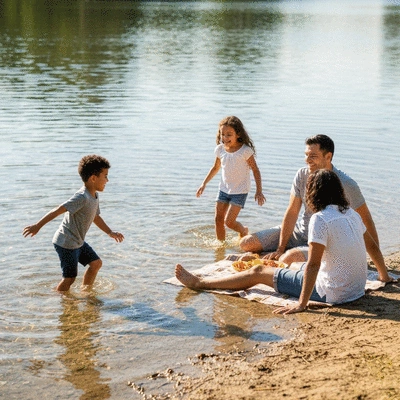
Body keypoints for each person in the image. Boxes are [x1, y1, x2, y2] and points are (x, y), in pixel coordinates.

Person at [175, 169, 393, 314]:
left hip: (334, 293)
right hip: (355, 289)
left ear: (313, 194)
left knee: (258, 271)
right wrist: (384, 277)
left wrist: (302, 304)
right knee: (294, 265)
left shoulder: (320, 218)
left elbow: (315, 265)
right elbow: (372, 246)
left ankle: (201, 283)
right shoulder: (351, 214)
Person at [239, 134, 383, 267]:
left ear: (328, 156)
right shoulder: (302, 175)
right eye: (306, 155)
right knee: (246, 243)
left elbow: (366, 220)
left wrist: (377, 261)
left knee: (288, 259)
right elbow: (292, 211)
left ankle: (281, 259)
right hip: (300, 233)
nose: (307, 160)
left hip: (324, 242)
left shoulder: (346, 184)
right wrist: (280, 248)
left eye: (313, 156)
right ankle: (277, 254)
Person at [23, 155, 124, 292]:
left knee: (96, 264)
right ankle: (61, 299)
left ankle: (86, 291)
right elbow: (58, 210)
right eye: (105, 176)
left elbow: (95, 217)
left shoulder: (94, 195)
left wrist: (110, 232)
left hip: (77, 241)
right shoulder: (82, 197)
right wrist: (38, 226)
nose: (107, 180)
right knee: (69, 278)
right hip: (66, 243)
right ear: (93, 178)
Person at [196, 116, 266, 241]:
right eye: (223, 134)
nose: (225, 138)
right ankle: (220, 248)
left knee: (229, 222)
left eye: (229, 134)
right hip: (223, 189)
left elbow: (255, 170)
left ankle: (243, 230)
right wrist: (204, 184)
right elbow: (215, 168)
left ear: (238, 134)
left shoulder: (245, 151)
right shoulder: (220, 150)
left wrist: (259, 191)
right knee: (218, 219)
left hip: (239, 191)